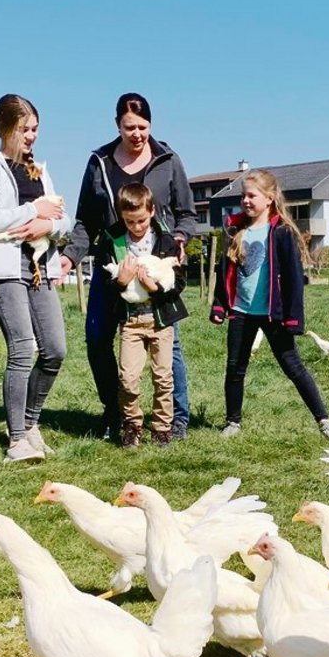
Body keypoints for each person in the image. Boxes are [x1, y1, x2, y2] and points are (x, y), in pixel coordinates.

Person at [60, 93, 196, 442]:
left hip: (156, 270)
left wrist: (178, 241)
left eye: (143, 127)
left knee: (169, 347)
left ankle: (176, 419)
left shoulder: (168, 159)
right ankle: (117, 413)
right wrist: (70, 256)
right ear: (117, 124)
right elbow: (85, 220)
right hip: (114, 269)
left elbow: (186, 213)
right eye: (129, 127)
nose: (137, 134)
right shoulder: (99, 162)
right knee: (96, 340)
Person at [0, 94, 72, 464]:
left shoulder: (39, 170)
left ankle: (30, 424)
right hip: (5, 269)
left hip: (40, 267)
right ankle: (16, 441)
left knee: (55, 350)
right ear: (5, 128)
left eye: (35, 129)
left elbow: (64, 219)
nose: (31, 136)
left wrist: (49, 224)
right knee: (22, 348)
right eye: (24, 129)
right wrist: (33, 210)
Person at [209, 169, 329, 441]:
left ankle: (324, 421)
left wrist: (294, 318)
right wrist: (219, 306)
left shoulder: (281, 232)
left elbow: (295, 278)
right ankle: (233, 422)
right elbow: (224, 270)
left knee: (293, 366)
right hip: (241, 311)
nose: (245, 201)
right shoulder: (235, 229)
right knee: (235, 368)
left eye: (252, 195)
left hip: (273, 314)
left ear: (269, 198)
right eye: (243, 196)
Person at [97, 183, 187, 447]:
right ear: (121, 216)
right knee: (128, 377)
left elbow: (178, 284)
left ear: (152, 212)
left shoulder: (166, 241)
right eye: (129, 221)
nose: (136, 227)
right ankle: (132, 425)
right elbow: (106, 285)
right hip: (131, 322)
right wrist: (120, 282)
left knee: (163, 376)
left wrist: (154, 288)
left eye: (141, 221)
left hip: (161, 322)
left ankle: (162, 427)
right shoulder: (113, 241)